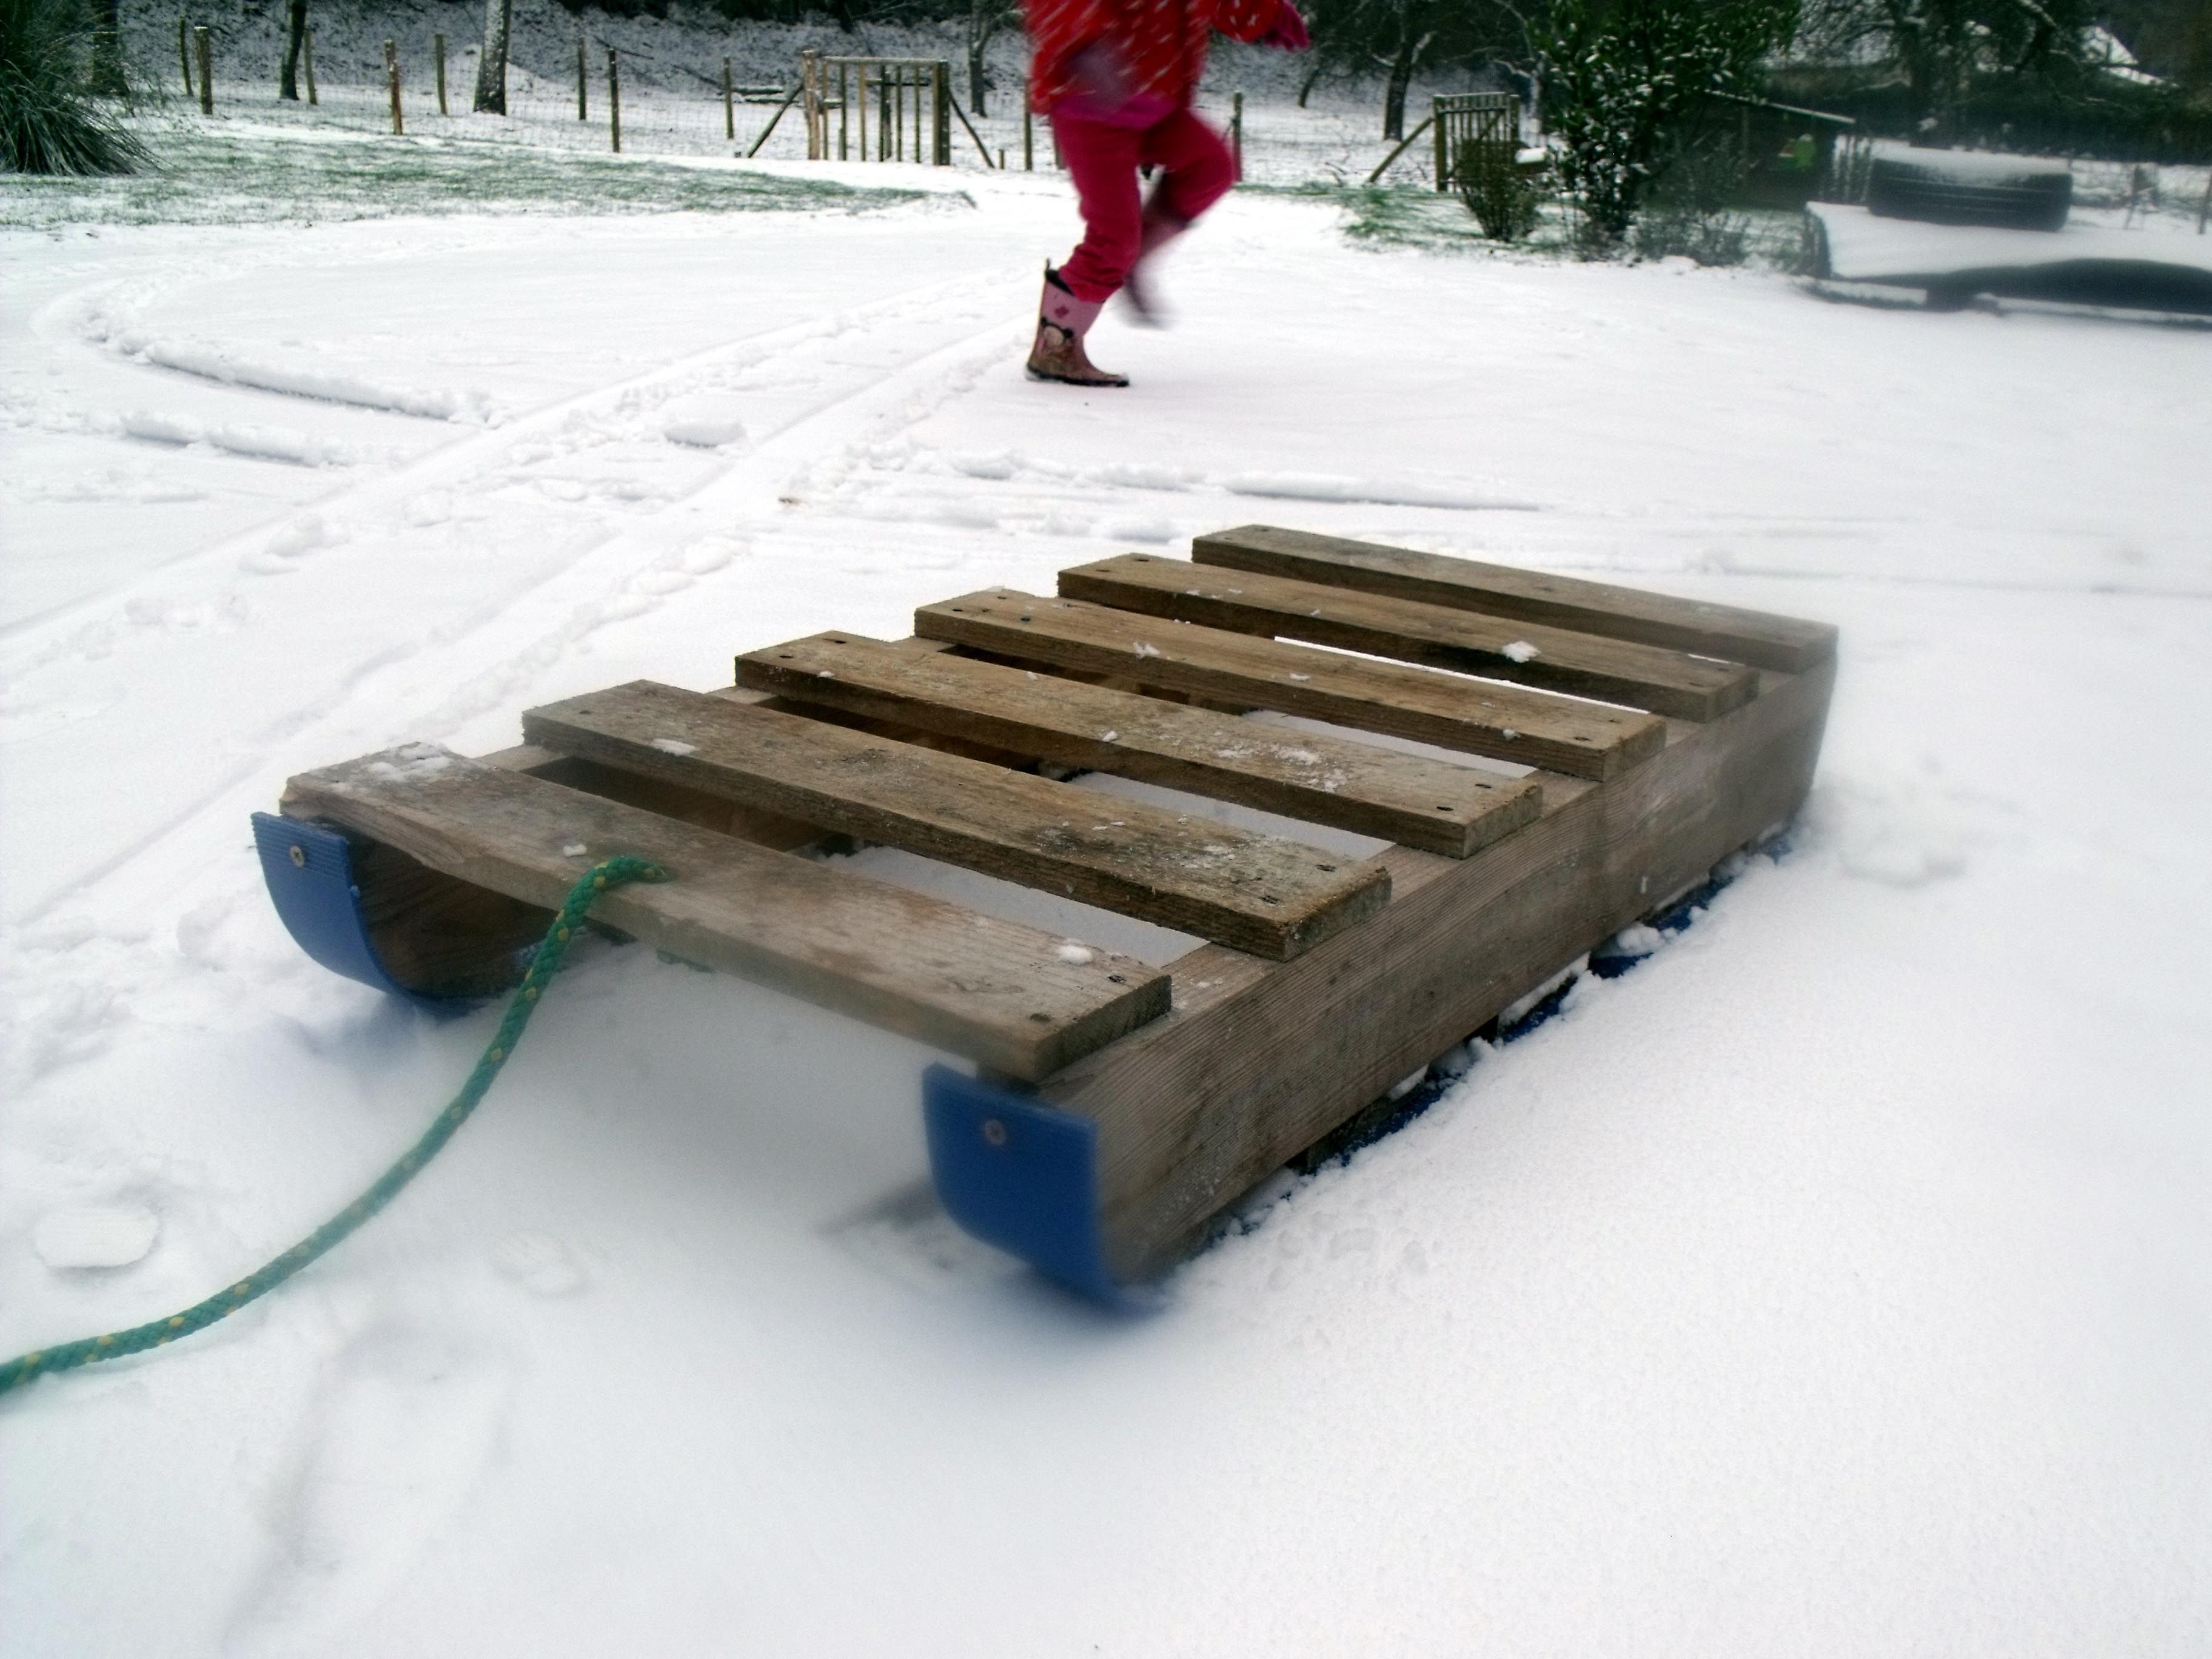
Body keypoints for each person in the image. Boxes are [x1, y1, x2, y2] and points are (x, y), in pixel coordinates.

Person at [1021, 0, 1310, 387]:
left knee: (1211, 167)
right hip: (1089, 101)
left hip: (1155, 98)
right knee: (1113, 238)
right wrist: (1083, 44)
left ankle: (1132, 258)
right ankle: (1054, 349)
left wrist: (1263, 12)